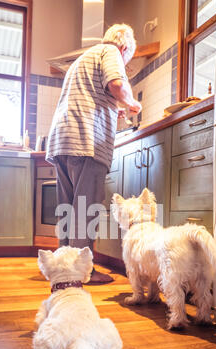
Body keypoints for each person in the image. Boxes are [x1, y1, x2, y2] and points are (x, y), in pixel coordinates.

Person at [46, 24, 142, 284]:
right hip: (86, 140)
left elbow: (93, 94)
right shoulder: (111, 52)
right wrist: (131, 103)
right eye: (127, 59)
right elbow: (115, 84)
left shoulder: (83, 59)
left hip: (62, 140)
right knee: (85, 209)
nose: (124, 62)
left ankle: (63, 268)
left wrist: (115, 110)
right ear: (124, 48)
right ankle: (81, 271)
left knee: (68, 208)